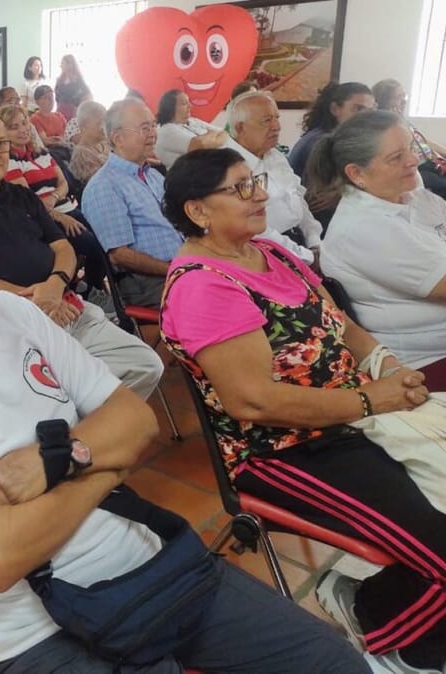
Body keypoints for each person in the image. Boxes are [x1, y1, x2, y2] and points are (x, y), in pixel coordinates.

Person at [0, 171, 370, 674]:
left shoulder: (15, 313)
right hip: (30, 628)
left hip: (145, 561)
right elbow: (0, 555)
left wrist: (55, 461)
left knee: (336, 662)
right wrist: (104, 465)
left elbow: (136, 421)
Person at [160, 147, 446, 673]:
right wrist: (366, 399)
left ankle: (387, 602)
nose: (262, 195)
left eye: (257, 181)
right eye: (241, 188)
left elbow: (343, 327)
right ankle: (387, 628)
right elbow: (254, 401)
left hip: (350, 418)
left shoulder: (274, 254)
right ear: (198, 211)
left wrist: (387, 366)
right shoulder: (204, 285)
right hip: (285, 450)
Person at [0, 112, 163, 398]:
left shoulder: (21, 196)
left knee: (145, 365)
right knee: (60, 390)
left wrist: (54, 287)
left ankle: (86, 430)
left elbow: (63, 247)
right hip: (8, 320)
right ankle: (75, 426)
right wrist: (36, 301)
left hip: (64, 305)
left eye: (1, 145)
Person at [313, 110, 446, 388]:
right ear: (357, 174)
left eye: (410, 148)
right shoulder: (363, 229)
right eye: (396, 157)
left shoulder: (414, 197)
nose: (413, 160)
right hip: (425, 365)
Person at [81, 99, 183, 308]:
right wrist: (177, 270)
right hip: (152, 282)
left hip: (185, 266)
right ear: (117, 138)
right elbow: (120, 256)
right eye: (144, 128)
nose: (153, 133)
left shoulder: (153, 176)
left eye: (153, 125)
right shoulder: (104, 186)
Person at [0, 104, 105, 291]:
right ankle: (90, 289)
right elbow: (28, 200)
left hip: (65, 206)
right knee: (92, 246)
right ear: (2, 132)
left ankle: (88, 286)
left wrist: (54, 197)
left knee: (105, 241)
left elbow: (64, 184)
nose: (23, 130)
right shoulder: (9, 160)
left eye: (24, 123)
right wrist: (60, 216)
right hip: (46, 217)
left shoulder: (41, 152)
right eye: (13, 127)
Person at [225, 91, 323, 265]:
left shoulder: (275, 155)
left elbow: (298, 198)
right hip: (264, 252)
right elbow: (251, 229)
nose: (277, 126)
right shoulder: (228, 167)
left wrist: (314, 240)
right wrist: (305, 256)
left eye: (276, 117)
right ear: (240, 128)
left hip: (299, 244)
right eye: (266, 121)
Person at [373, 78, 446, 200]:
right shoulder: (382, 123)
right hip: (416, 168)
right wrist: (396, 120)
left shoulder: (401, 119)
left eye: (404, 97)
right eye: (398, 97)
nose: (403, 102)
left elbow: (422, 140)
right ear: (385, 101)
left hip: (429, 163)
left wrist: (442, 153)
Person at [288, 82, 374, 179]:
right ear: (335, 109)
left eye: (369, 111)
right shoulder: (321, 142)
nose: (365, 117)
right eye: (358, 109)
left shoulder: (337, 138)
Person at [153, 89, 229, 170]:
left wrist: (209, 140)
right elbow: (200, 145)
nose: (190, 106)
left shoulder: (193, 121)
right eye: (184, 103)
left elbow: (224, 133)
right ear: (170, 108)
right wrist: (213, 135)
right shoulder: (166, 130)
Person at [68, 101, 110, 184]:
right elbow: (101, 183)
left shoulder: (104, 145)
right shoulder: (81, 155)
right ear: (83, 126)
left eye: (105, 122)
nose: (103, 127)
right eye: (99, 123)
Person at [54, 54, 91, 122]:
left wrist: (78, 108)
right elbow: (57, 97)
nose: (60, 66)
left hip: (73, 112)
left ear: (69, 64)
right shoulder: (59, 80)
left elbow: (88, 95)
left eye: (63, 63)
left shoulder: (78, 80)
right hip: (60, 110)